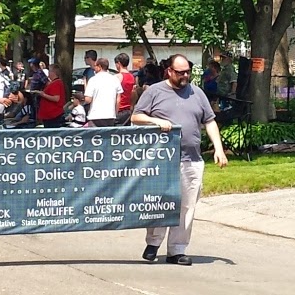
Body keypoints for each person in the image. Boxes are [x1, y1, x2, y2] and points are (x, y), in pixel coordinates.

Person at [132, 54, 228, 266]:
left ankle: (177, 250)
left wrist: (218, 149)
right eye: (181, 72)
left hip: (191, 159)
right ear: (170, 71)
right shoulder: (155, 91)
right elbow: (136, 117)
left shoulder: (197, 93)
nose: (185, 76)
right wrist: (156, 121)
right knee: (160, 202)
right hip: (162, 161)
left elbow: (210, 121)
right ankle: (153, 244)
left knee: (187, 206)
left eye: (188, 72)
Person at [84, 58, 122, 127]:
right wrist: (115, 113)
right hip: (110, 116)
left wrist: (85, 87)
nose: (94, 68)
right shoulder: (115, 79)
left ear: (100, 67)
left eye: (95, 66)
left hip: (95, 116)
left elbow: (88, 100)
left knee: (95, 137)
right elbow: (118, 99)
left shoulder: (93, 80)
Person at [114, 53, 135, 125]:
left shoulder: (117, 77)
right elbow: (133, 93)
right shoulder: (132, 76)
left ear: (118, 63)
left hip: (118, 110)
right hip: (128, 110)